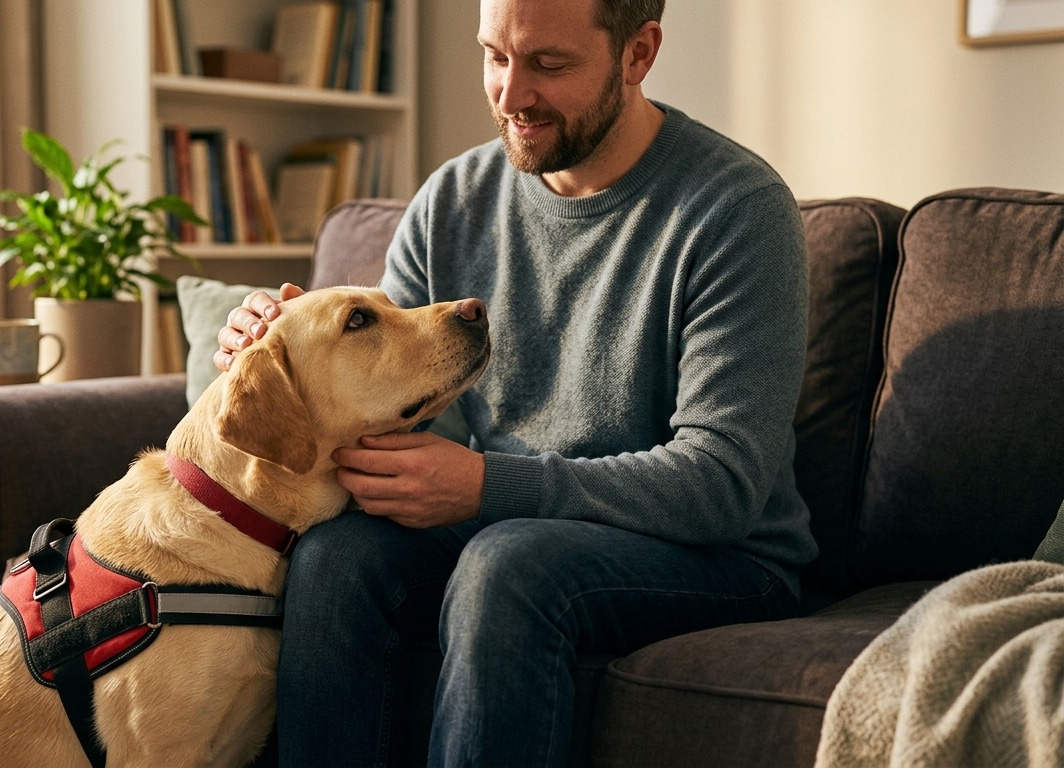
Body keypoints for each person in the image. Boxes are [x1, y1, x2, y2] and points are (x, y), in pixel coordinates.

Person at [215, 0, 817, 764]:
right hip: (504, 522)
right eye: (495, 56)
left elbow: (721, 484)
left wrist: (486, 487)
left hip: (716, 555)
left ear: (639, 54)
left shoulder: (736, 210)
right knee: (340, 556)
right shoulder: (454, 198)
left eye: (549, 64)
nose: (510, 93)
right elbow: (391, 407)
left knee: (510, 566)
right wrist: (276, 357)